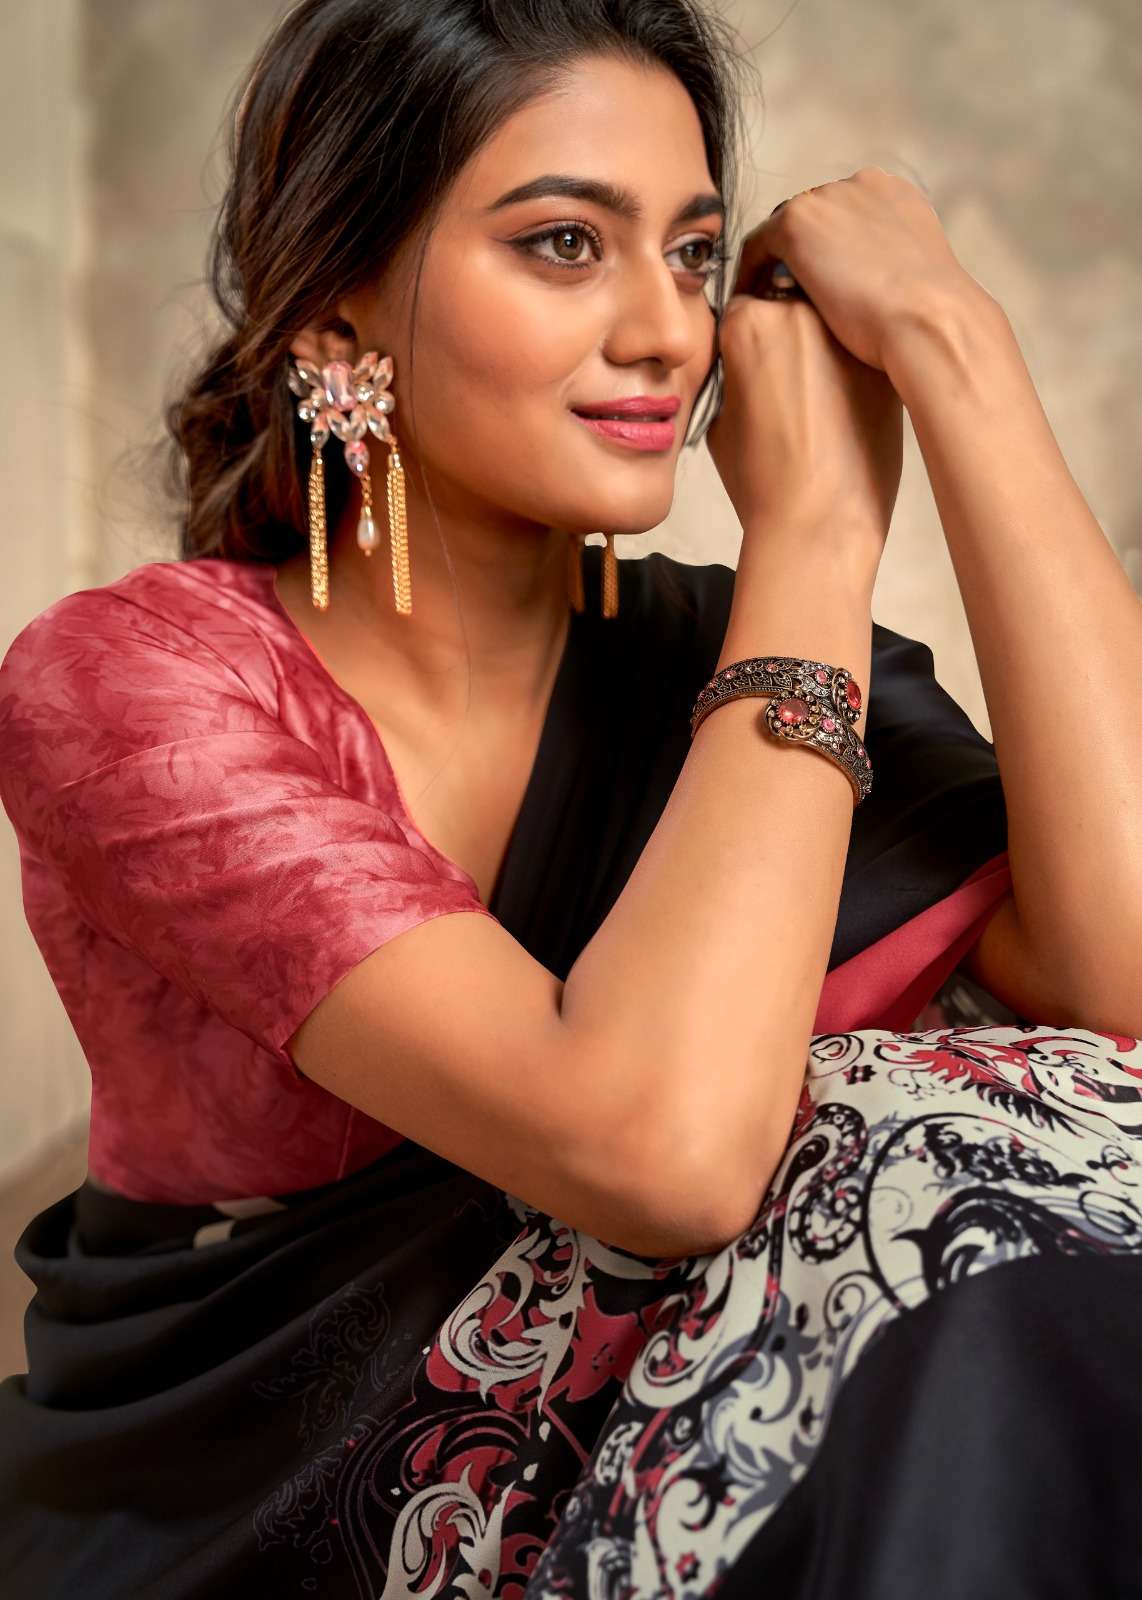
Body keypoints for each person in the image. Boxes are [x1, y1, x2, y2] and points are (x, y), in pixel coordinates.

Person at [1, 1, 1141, 1595]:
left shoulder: (732, 666)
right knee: (911, 1159)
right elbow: (663, 1158)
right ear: (333, 318)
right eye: (562, 245)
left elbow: (1117, 987)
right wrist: (816, 533)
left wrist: (957, 350)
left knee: (1010, 1155)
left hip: (688, 1459)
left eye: (693, 254)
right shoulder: (137, 685)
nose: (669, 332)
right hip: (255, 1492)